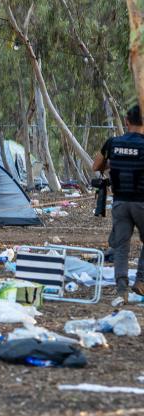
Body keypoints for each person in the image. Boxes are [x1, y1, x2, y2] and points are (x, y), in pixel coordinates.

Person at [93, 104, 144, 302]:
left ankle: (121, 289)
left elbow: (96, 165)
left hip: (120, 202)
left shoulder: (113, 143)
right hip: (142, 202)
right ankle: (140, 281)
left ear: (126, 121)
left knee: (121, 247)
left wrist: (113, 161)